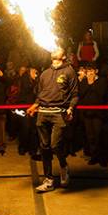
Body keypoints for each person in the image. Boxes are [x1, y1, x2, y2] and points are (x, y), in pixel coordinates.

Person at [28, 48, 78, 193]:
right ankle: (49, 180)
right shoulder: (45, 73)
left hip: (59, 113)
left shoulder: (69, 71)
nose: (55, 49)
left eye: (58, 49)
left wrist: (70, 108)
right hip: (42, 113)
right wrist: (34, 105)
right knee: (44, 147)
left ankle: (63, 167)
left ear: (63, 56)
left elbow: (75, 94)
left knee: (55, 145)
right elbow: (41, 94)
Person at [77, 64, 108, 165]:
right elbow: (81, 93)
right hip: (87, 113)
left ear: (96, 71)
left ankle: (102, 157)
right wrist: (88, 83)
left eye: (91, 71)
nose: (89, 73)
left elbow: (102, 93)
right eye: (88, 71)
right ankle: (94, 156)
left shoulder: (102, 80)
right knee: (90, 136)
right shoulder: (84, 81)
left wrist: (92, 83)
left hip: (98, 113)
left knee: (99, 135)